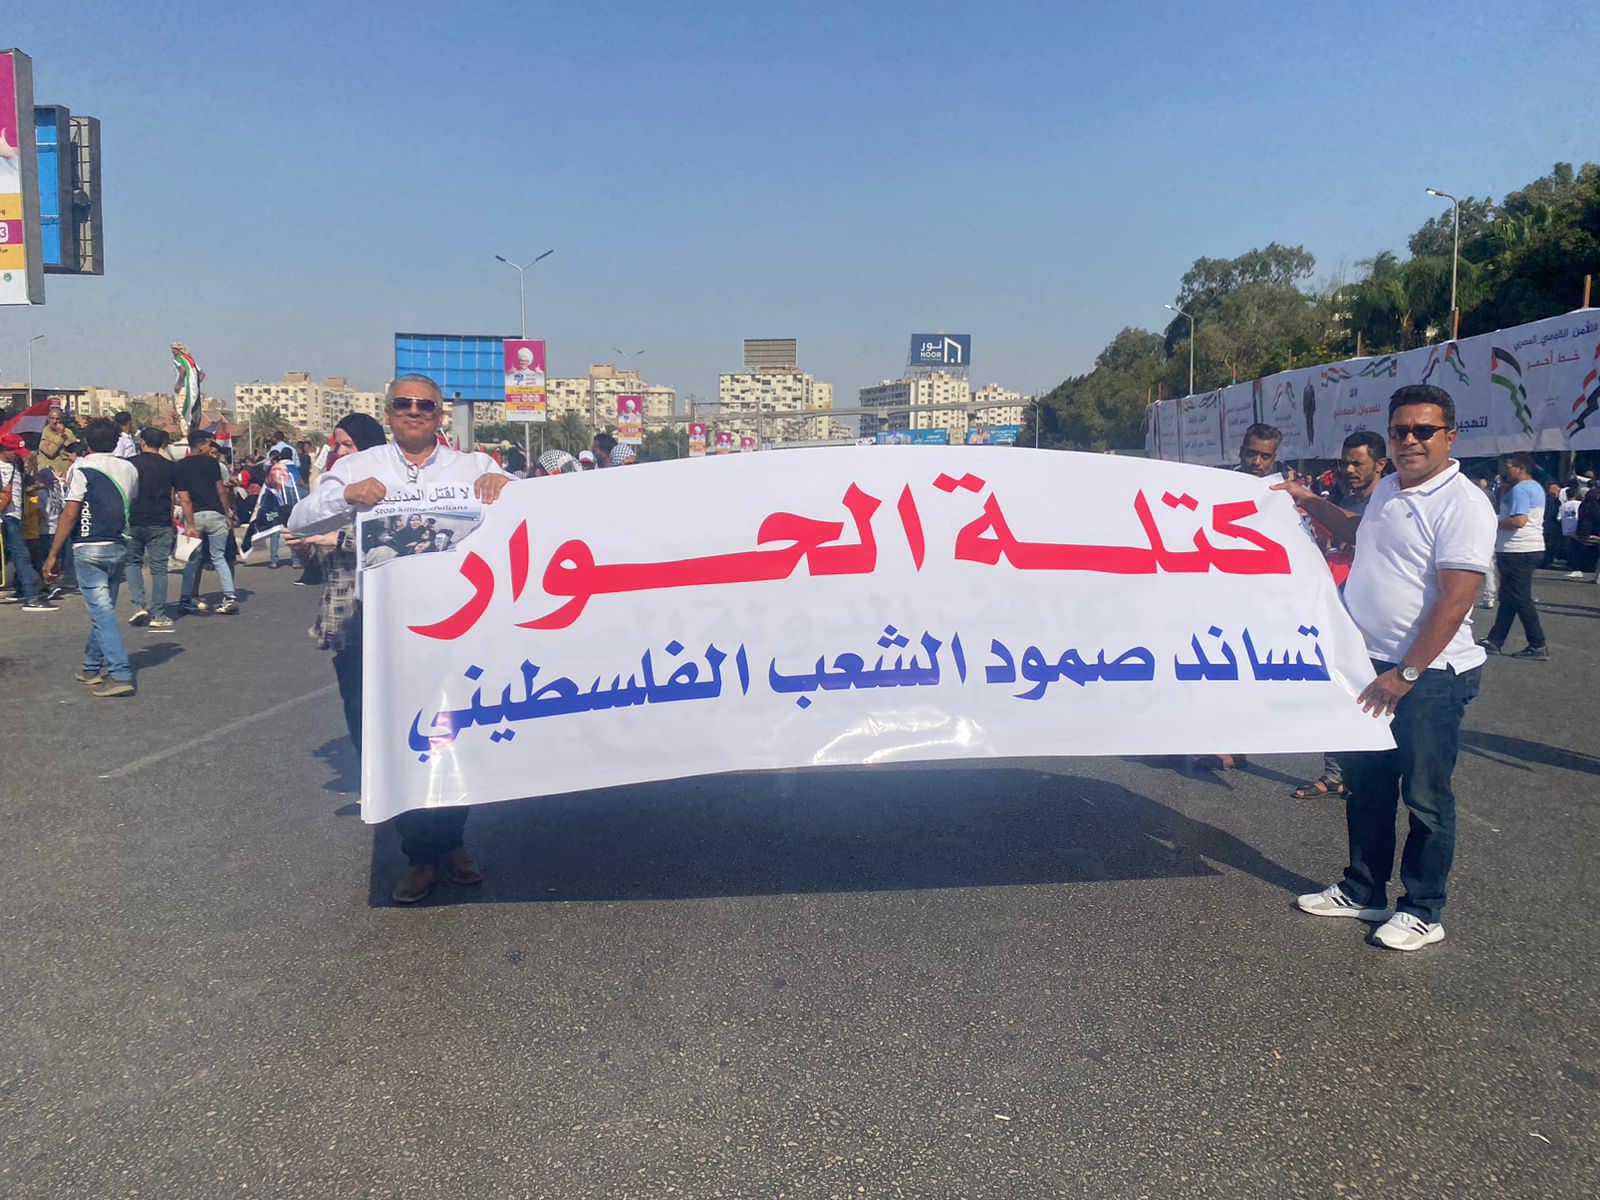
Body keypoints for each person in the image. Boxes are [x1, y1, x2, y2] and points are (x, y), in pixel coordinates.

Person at [1278, 384, 1495, 951]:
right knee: (1368, 788)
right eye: (1401, 431)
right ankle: (1363, 889)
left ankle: (1423, 909)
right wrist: (1305, 500)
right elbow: (1360, 534)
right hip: (1369, 666)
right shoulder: (1391, 489)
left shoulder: (1463, 503)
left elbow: (1456, 599)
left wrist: (1406, 674)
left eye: (1424, 430)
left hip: (1429, 676)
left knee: (1425, 798)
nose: (1410, 440)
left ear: (1450, 436)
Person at [289, 375, 510, 905]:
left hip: (451, 626)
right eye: (403, 404)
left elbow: (525, 513)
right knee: (381, 734)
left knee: (453, 731)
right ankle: (418, 853)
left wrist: (505, 487)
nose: (414, 411)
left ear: (440, 414)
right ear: (388, 412)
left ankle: (452, 841)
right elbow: (298, 518)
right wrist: (345, 496)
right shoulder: (357, 467)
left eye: (425, 405)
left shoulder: (473, 466)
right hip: (376, 626)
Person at [1291, 430, 1388, 800]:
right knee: (1336, 688)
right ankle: (1335, 773)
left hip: (1375, 620)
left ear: (1380, 464)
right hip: (1337, 605)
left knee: (1368, 697)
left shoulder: (1388, 503)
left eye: (1357, 463)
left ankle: (1364, 776)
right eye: (1344, 463)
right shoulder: (1341, 497)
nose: (1348, 470)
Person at [42, 418, 141, 697]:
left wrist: (53, 553)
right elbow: (129, 502)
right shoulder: (129, 469)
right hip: (118, 544)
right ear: (116, 441)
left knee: (102, 612)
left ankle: (120, 672)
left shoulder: (82, 467)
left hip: (89, 546)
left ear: (87, 442)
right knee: (104, 609)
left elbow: (71, 512)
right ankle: (91, 666)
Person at [1477, 451, 1548, 660]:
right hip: (1524, 548)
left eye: (1507, 467)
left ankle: (1537, 643)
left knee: (1520, 598)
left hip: (1518, 549)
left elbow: (1518, 521)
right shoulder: (1532, 487)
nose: (1503, 471)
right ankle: (1495, 639)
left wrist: (1492, 521)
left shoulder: (1521, 489)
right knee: (1509, 597)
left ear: (1521, 468)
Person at [175, 430, 240, 616]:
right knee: (219, 557)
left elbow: (185, 499)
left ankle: (186, 599)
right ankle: (229, 597)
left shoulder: (180, 466)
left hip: (195, 516)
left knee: (192, 559)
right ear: (202, 445)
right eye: (209, 444)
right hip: (215, 515)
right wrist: (227, 514)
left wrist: (190, 524)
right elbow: (221, 491)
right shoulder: (212, 463)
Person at [125, 427, 179, 630]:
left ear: (142, 443)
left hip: (134, 519)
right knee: (159, 568)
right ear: (162, 444)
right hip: (160, 520)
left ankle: (138, 605)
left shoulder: (130, 464)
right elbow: (174, 496)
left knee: (132, 563)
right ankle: (158, 613)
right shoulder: (170, 467)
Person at [0, 433, 57, 610]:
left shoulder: (15, 466)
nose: (18, 455)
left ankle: (23, 590)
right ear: (4, 450)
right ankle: (31, 597)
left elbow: (22, 484)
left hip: (15, 515)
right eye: (14, 451)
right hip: (6, 517)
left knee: (19, 554)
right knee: (21, 555)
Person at [35, 403, 80, 478]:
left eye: (57, 419)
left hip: (66, 473)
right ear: (48, 419)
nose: (55, 421)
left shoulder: (68, 432)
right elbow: (50, 452)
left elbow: (75, 449)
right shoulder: (44, 433)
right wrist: (60, 436)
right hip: (51, 475)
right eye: (52, 418)